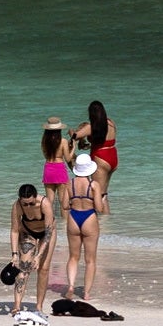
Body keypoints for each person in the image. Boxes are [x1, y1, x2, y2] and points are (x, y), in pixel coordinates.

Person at [61, 129, 103, 300]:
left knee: (73, 257)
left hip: (73, 217)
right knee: (90, 259)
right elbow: (99, 208)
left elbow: (64, 205)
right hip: (89, 218)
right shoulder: (94, 185)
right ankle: (86, 293)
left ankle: (70, 286)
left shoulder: (69, 184)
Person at [8, 182, 53, 313]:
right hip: (28, 232)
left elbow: (48, 233)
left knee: (43, 269)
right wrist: (14, 254)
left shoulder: (45, 204)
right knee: (23, 267)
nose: (28, 206)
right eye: (25, 204)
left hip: (46, 233)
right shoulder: (17, 206)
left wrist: (39, 256)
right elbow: (15, 230)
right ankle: (17, 306)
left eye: (31, 203)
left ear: (35, 197)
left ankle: (39, 306)